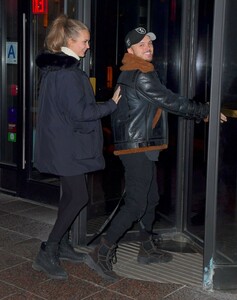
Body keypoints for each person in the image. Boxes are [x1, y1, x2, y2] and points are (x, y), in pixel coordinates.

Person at [85, 27, 227, 281]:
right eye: (141, 44)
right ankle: (102, 250)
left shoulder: (136, 71)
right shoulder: (141, 74)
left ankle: (147, 248)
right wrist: (204, 110)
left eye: (149, 42)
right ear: (130, 51)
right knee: (138, 202)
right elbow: (170, 101)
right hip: (137, 146)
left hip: (142, 144)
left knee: (151, 198)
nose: (148, 47)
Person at [32, 15, 121, 280]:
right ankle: (48, 251)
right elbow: (80, 112)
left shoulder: (57, 69)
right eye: (85, 41)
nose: (88, 46)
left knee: (70, 196)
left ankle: (62, 244)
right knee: (79, 197)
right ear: (70, 41)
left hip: (64, 146)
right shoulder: (68, 74)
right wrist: (111, 105)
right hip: (67, 149)